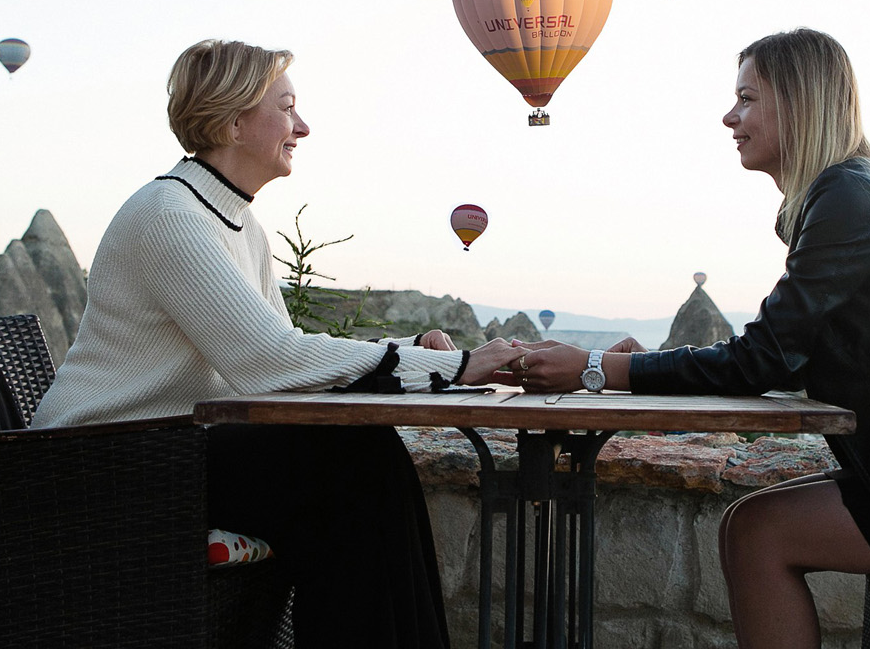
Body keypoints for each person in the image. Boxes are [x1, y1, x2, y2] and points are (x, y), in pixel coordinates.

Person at [511, 28, 870, 649]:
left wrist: (596, 370)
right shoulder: (848, 191)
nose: (728, 117)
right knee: (750, 526)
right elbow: (790, 353)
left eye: (746, 99)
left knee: (759, 535)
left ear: (798, 104)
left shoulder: (848, 196)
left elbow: (763, 357)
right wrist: (644, 364)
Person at [31, 38, 521, 648]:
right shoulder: (169, 215)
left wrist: (416, 348)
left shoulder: (235, 221)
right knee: (350, 463)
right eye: (286, 108)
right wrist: (455, 366)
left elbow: (284, 350)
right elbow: (266, 362)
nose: (304, 127)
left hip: (166, 453)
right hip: (105, 467)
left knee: (359, 458)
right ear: (233, 121)